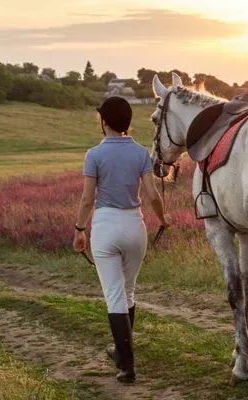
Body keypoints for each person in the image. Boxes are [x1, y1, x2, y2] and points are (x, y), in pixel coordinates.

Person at [72, 97, 168, 383]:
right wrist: (163, 220)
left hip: (105, 225)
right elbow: (152, 195)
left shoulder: (94, 155)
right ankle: (120, 351)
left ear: (104, 121)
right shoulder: (140, 153)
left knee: (114, 295)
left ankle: (127, 366)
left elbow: (88, 198)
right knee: (128, 291)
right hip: (134, 225)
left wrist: (79, 229)